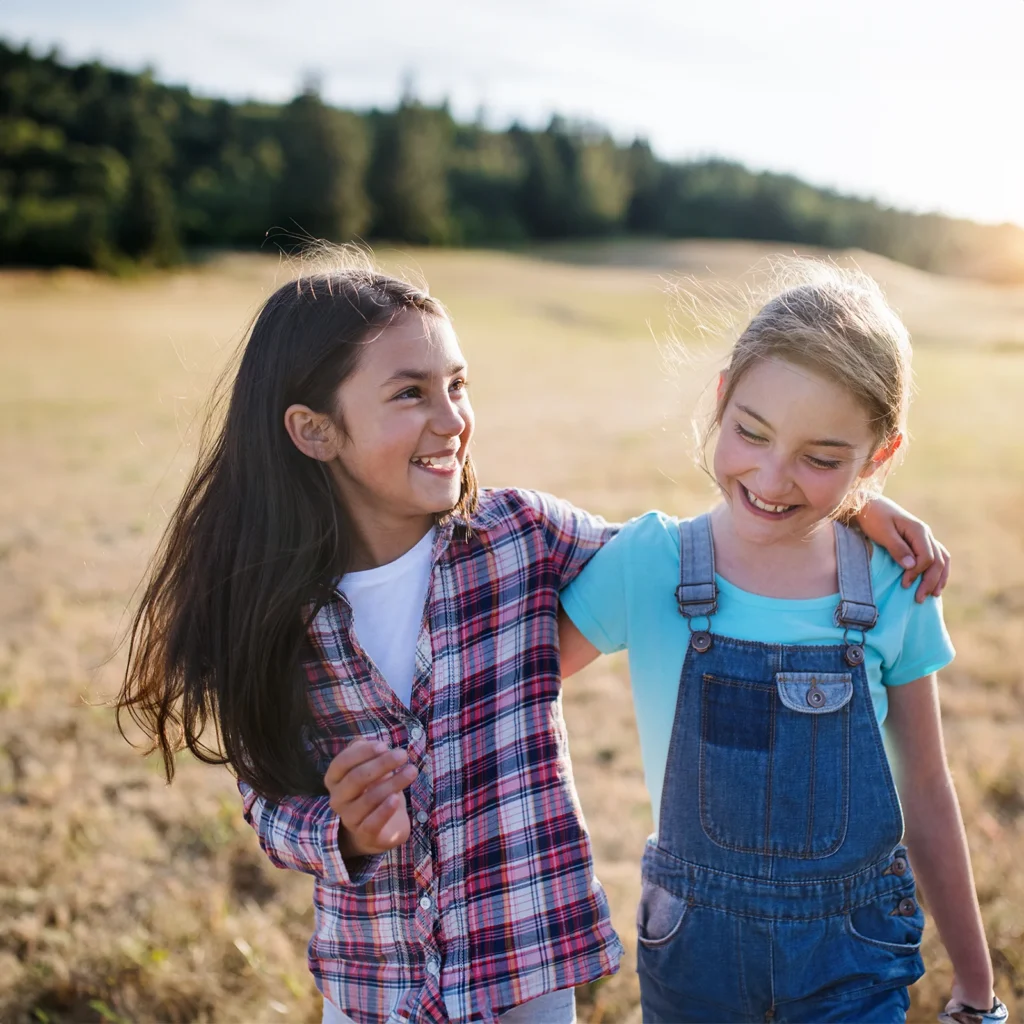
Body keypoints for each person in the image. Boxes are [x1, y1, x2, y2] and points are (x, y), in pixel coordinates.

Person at [117, 258, 952, 1024]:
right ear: (314, 430)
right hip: (375, 984)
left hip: (527, 972)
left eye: (458, 384)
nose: (453, 419)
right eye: (411, 394)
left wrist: (849, 509)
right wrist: (339, 830)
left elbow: (699, 554)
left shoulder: (519, 538)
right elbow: (266, 800)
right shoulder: (275, 611)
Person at [558, 267, 1005, 1023]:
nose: (771, 477)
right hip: (693, 957)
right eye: (751, 432)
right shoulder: (650, 564)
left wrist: (975, 983)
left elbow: (927, 790)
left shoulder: (895, 587)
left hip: (851, 959)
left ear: (880, 455)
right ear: (724, 395)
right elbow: (515, 685)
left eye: (821, 458)